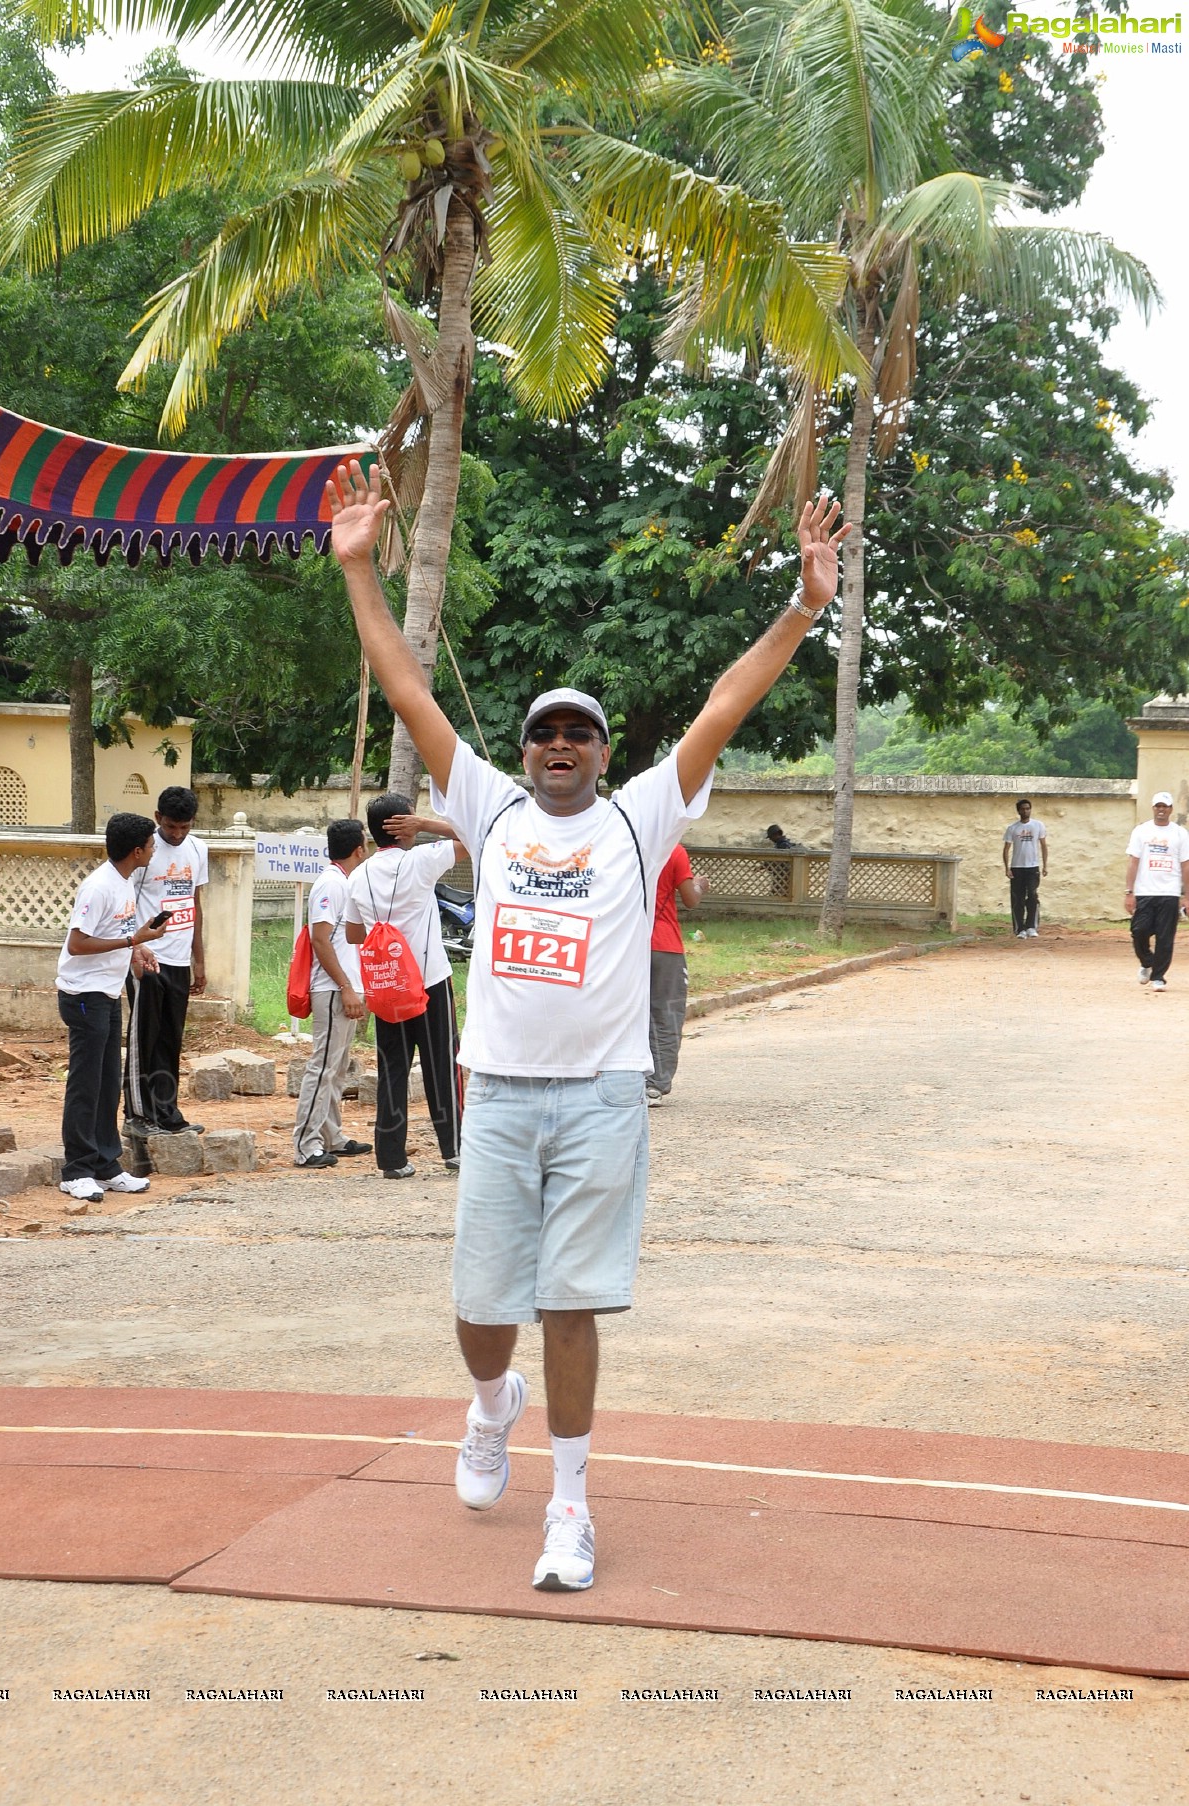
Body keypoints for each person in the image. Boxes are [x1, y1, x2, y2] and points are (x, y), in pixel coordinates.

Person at [328, 457, 849, 1593]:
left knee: (569, 1301)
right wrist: (360, 567)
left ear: (605, 754)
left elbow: (725, 701)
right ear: (521, 753)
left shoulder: (639, 816)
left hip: (604, 1098)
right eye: (543, 733)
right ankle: (488, 1405)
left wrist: (804, 603)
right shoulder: (490, 810)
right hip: (501, 1093)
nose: (559, 744)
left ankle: (569, 1504)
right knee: (480, 1309)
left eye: (579, 733)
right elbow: (407, 686)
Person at [345, 796, 465, 1180]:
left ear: (373, 831)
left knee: (392, 1068)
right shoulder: (422, 860)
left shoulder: (358, 875)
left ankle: (392, 1158)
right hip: (428, 981)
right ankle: (455, 1149)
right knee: (441, 1065)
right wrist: (426, 824)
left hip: (386, 984)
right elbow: (478, 835)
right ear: (404, 825)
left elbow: (352, 934)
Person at [56, 812, 170, 1203]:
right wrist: (130, 942)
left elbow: (120, 932)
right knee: (86, 1083)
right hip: (83, 995)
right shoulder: (99, 887)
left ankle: (105, 1164)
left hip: (106, 992)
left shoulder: (124, 882)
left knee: (106, 1083)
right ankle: (76, 1170)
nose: (155, 851)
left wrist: (139, 947)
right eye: (152, 846)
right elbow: (77, 943)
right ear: (137, 850)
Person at [124, 786, 209, 1133]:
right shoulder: (143, 852)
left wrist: (198, 958)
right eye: (171, 826)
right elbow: (124, 905)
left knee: (171, 1039)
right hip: (148, 957)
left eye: (184, 827)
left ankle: (167, 1113)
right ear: (158, 818)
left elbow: (195, 903)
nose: (177, 834)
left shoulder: (199, 848)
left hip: (179, 958)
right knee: (145, 1037)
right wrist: (133, 952)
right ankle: (137, 1116)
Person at [292, 818, 373, 1169]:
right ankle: (305, 1144)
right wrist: (345, 987)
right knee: (323, 1067)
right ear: (359, 849)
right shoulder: (332, 885)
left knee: (336, 1068)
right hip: (332, 989)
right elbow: (320, 939)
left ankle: (331, 1136)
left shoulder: (341, 883)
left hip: (343, 988)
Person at [647, 847, 709, 1105]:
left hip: (624, 943)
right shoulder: (673, 850)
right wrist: (699, 885)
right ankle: (654, 1085)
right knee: (665, 1015)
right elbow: (690, 900)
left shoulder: (623, 842)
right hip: (664, 944)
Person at [1125, 791, 1189, 992]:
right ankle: (1147, 962)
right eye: (1158, 806)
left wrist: (1186, 895)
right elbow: (1133, 862)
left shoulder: (1180, 834)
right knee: (1139, 930)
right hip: (1145, 891)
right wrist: (1129, 892)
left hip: (1169, 892)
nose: (1161, 809)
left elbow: (1186, 865)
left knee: (1165, 937)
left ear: (1170, 809)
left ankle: (1158, 976)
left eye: (1165, 806)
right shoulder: (1141, 831)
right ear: (1153, 808)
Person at [1002, 797, 1047, 940]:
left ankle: (1031, 926)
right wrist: (1007, 868)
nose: (1025, 811)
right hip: (1017, 867)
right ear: (1018, 811)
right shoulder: (1012, 828)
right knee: (1018, 899)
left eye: (1028, 808)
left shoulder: (1038, 825)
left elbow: (1043, 846)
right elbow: (1006, 849)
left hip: (1033, 867)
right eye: (1023, 809)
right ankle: (1019, 929)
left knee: (1032, 896)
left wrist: (1045, 865)